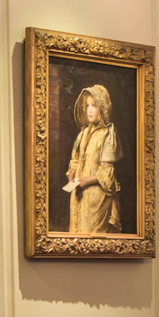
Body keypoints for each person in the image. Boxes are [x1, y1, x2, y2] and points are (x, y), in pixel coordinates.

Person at [62, 82, 119, 234]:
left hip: (97, 195)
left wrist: (87, 180)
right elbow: (76, 159)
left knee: (92, 234)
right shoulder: (83, 133)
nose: (89, 110)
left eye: (94, 106)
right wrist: (72, 174)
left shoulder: (107, 134)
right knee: (76, 233)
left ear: (102, 108)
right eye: (87, 106)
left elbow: (107, 172)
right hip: (79, 193)